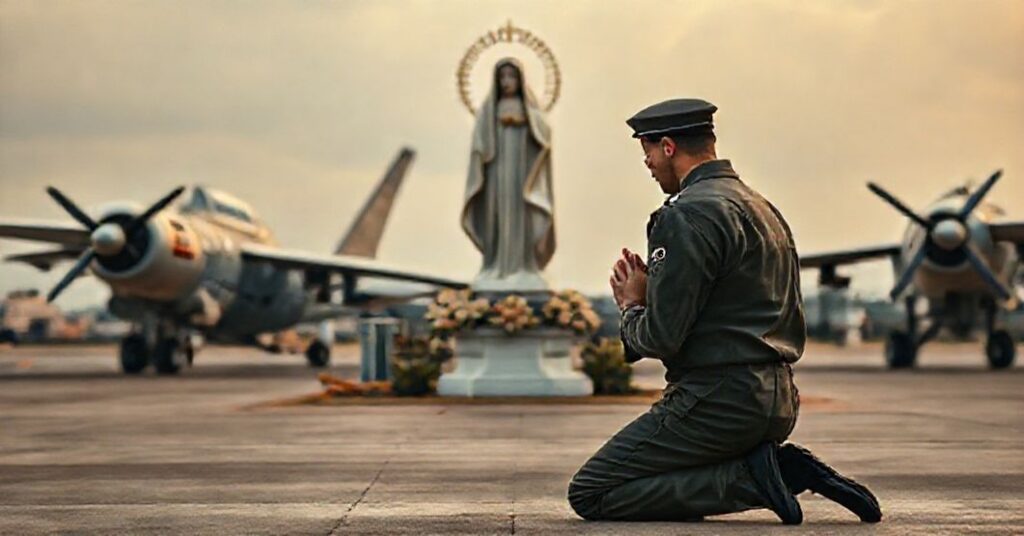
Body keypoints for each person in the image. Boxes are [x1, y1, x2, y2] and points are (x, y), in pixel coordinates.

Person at [567, 98, 882, 524]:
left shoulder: (687, 215)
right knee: (660, 474)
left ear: (668, 146)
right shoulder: (764, 209)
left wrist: (633, 305)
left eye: (647, 152)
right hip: (779, 400)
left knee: (591, 492)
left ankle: (759, 480)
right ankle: (774, 467)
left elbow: (662, 337)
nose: (647, 163)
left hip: (716, 404)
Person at [460, 58, 555, 291]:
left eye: (511, 77)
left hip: (522, 177)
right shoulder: (488, 109)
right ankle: (496, 265)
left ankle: (523, 266)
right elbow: (478, 145)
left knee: (520, 218)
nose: (507, 82)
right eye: (502, 77)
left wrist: (525, 123)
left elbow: (544, 135)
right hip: (496, 175)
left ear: (520, 79)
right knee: (498, 218)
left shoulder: (530, 110)